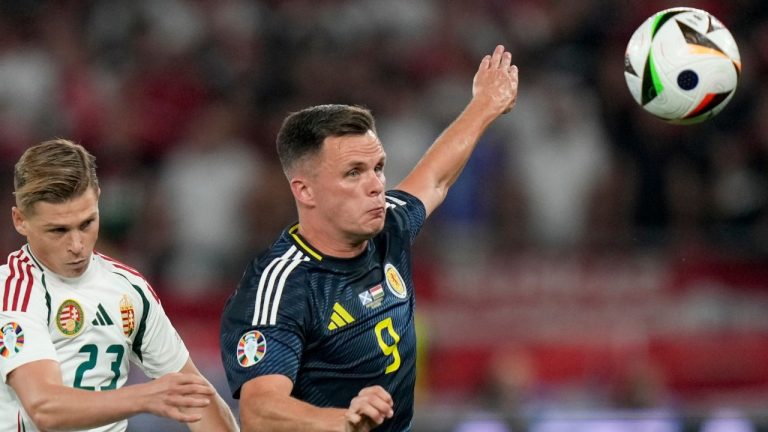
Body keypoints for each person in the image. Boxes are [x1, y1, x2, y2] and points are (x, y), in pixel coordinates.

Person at [219, 44, 518, 431]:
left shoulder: (388, 227)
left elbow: (435, 178)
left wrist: (485, 105)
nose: (376, 185)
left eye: (378, 168)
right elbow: (260, 412)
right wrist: (344, 420)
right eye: (353, 173)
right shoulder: (282, 285)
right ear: (305, 191)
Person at [0, 139, 239, 432]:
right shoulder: (13, 293)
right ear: (20, 220)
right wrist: (144, 396)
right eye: (58, 230)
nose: (77, 245)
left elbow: (193, 396)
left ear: (98, 198)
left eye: (87, 223)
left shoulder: (129, 288)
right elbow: (44, 407)